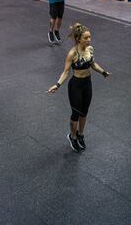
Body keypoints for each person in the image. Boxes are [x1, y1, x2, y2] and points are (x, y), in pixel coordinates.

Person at [47, 23, 110, 153]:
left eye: (90, 37)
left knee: (84, 112)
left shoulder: (90, 49)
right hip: (76, 86)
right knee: (75, 113)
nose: (89, 40)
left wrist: (103, 72)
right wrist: (57, 85)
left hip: (87, 84)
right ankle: (72, 136)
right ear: (78, 39)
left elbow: (92, 64)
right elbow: (66, 72)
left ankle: (81, 134)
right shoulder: (72, 54)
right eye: (86, 38)